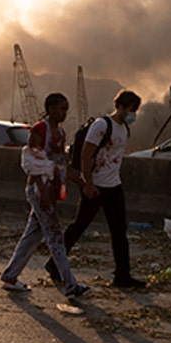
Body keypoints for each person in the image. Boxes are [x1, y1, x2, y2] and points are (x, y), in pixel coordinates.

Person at [58, 90, 146, 290]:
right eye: (131, 109)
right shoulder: (101, 125)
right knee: (79, 226)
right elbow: (85, 154)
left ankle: (122, 276)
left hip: (114, 186)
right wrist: (88, 183)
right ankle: (55, 264)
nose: (133, 114)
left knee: (119, 232)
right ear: (121, 107)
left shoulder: (124, 129)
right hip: (96, 186)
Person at [2, 93, 87, 298]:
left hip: (51, 189)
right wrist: (42, 191)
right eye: (60, 109)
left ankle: (10, 276)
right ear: (49, 109)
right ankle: (70, 285)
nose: (63, 113)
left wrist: (80, 182)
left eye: (66, 109)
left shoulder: (61, 132)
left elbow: (62, 164)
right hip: (40, 190)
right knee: (55, 236)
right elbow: (32, 163)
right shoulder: (40, 130)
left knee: (32, 235)